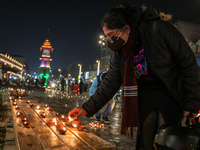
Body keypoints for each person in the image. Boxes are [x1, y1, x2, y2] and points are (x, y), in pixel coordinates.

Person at [68, 3, 200, 149]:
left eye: (111, 35)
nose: (109, 41)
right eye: (106, 38)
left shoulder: (158, 29)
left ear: (126, 29)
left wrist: (192, 105)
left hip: (171, 97)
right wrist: (86, 108)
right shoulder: (120, 51)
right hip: (144, 103)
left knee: (168, 142)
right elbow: (110, 83)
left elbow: (189, 65)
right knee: (145, 143)